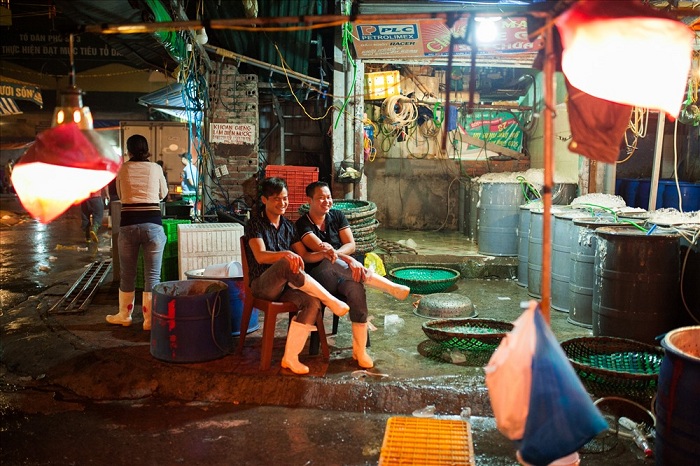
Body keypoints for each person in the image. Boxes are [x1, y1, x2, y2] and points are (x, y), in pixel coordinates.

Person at [293, 181, 410, 369]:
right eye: (321, 197)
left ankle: (359, 350)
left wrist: (347, 258)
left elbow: (351, 245)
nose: (326, 201)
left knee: (356, 288)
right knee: (329, 260)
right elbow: (321, 249)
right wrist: (350, 260)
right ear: (310, 200)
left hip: (341, 275)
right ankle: (389, 287)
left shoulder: (337, 216)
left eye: (328, 197)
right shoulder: (302, 224)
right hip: (319, 278)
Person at [244, 177, 349, 375]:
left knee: (312, 302)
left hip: (284, 288)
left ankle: (290, 357)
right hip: (262, 286)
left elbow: (305, 257)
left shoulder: (289, 226)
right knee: (286, 262)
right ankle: (331, 300)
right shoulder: (254, 224)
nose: (282, 203)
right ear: (264, 200)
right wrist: (286, 254)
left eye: (285, 198)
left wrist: (325, 253)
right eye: (276, 199)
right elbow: (260, 256)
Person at [106, 134, 168, 331]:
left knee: (128, 274)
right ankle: (149, 321)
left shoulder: (123, 169)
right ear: (147, 149)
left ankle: (125, 315)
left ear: (128, 150)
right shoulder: (156, 168)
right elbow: (164, 194)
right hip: (153, 226)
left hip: (128, 225)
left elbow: (121, 194)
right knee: (153, 276)